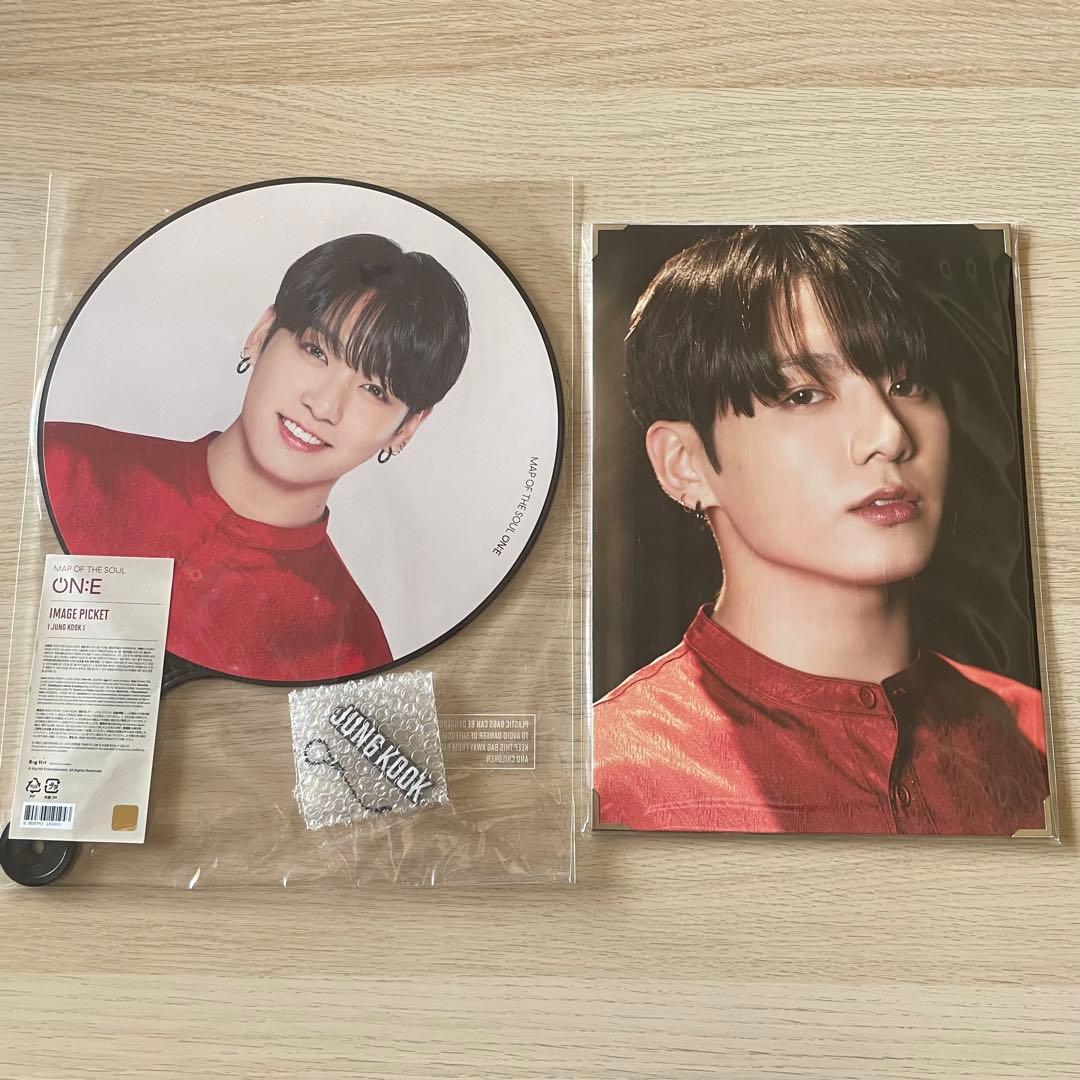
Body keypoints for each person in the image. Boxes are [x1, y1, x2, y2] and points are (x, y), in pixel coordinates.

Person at [593, 225, 1050, 836]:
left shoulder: (1038, 736)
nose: (889, 435)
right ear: (685, 463)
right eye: (804, 394)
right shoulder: (609, 778)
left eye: (906, 384)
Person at [43, 233, 470, 682]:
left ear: (406, 428)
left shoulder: (351, 652)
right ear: (262, 334)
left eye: (374, 389)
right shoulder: (61, 464)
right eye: (316, 351)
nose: (324, 406)